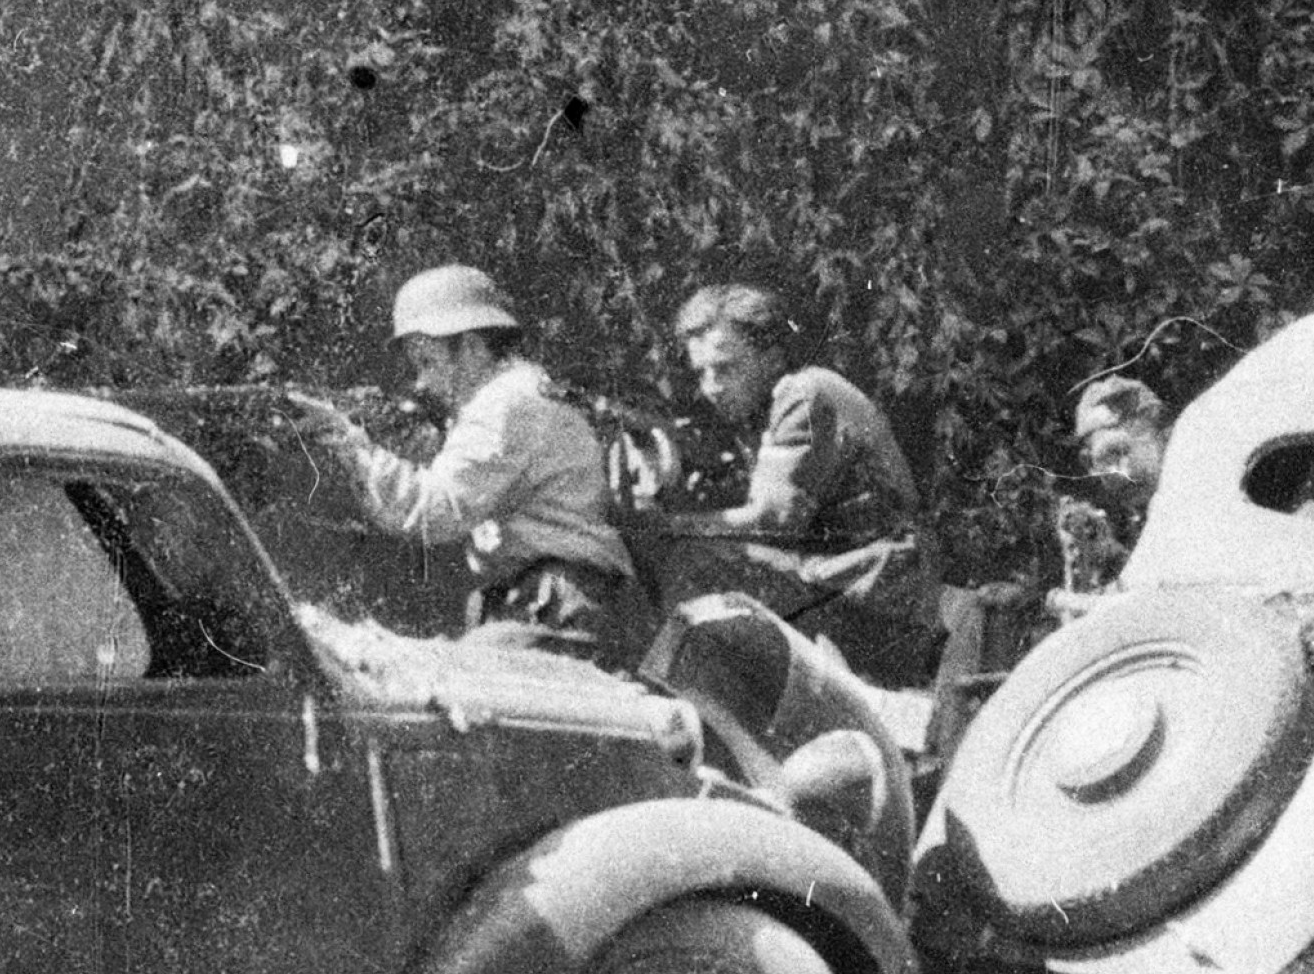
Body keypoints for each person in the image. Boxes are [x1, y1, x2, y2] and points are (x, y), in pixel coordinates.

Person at [286, 265, 643, 663]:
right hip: (548, 598)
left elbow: (432, 511)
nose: (421, 382)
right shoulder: (518, 392)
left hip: (556, 603)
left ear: (472, 347)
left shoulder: (505, 405)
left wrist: (352, 448)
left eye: (428, 362)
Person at [647, 283, 940, 688]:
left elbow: (774, 518)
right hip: (866, 590)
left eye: (726, 367)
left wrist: (669, 524)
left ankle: (673, 696)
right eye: (702, 373)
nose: (711, 386)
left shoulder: (802, 394)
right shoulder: (779, 405)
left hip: (878, 598)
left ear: (771, 357)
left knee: (690, 557)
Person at [1057, 374, 1171, 593]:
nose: (1124, 471)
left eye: (1132, 450)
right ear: (1088, 463)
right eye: (1110, 456)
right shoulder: (1094, 523)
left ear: (1161, 441)